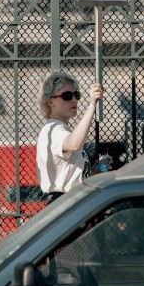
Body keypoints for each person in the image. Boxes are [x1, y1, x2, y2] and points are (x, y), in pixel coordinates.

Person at [36, 71, 110, 205]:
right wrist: (92, 105)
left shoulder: (63, 130)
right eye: (67, 96)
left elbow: (74, 178)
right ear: (50, 102)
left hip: (74, 200)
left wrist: (97, 170)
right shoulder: (53, 130)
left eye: (76, 94)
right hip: (64, 202)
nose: (74, 100)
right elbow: (74, 144)